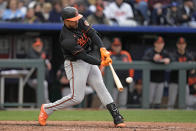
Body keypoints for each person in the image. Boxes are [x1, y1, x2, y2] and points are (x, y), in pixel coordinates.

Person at [38, 7, 126, 128]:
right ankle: (47, 108)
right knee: (77, 98)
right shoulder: (66, 38)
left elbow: (92, 33)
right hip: (75, 63)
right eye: (72, 20)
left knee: (100, 86)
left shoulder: (79, 20)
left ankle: (117, 116)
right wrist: (100, 62)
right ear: (65, 21)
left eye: (76, 19)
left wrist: (102, 48)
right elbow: (83, 56)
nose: (76, 21)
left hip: (89, 57)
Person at [143, 36, 171, 108]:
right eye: (158, 43)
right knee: (149, 101)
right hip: (151, 80)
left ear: (163, 44)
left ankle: (155, 118)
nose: (159, 45)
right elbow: (144, 58)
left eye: (161, 43)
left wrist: (168, 59)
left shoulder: (165, 52)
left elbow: (172, 58)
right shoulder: (150, 52)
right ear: (155, 44)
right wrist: (153, 58)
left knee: (158, 102)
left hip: (161, 80)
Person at [168, 37, 193, 109]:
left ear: (185, 45)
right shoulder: (173, 55)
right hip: (174, 82)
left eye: (183, 44)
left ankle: (185, 119)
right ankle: (167, 119)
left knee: (186, 103)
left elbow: (192, 70)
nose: (181, 46)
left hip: (185, 83)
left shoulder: (189, 56)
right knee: (171, 103)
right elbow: (172, 62)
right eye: (180, 44)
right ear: (177, 45)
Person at [110, 38, 134, 108]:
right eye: (115, 45)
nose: (117, 47)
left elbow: (131, 68)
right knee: (112, 103)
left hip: (124, 82)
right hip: (112, 84)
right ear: (112, 46)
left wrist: (131, 77)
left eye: (118, 45)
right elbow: (102, 70)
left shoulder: (126, 54)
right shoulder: (109, 54)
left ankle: (122, 118)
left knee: (123, 104)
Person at [27, 37, 51, 103]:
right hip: (30, 79)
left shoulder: (42, 53)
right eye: (37, 45)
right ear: (33, 46)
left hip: (39, 78)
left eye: (40, 45)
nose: (39, 47)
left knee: (44, 82)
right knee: (44, 83)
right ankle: (46, 102)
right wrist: (44, 60)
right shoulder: (30, 53)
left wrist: (46, 62)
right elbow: (37, 61)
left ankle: (42, 102)